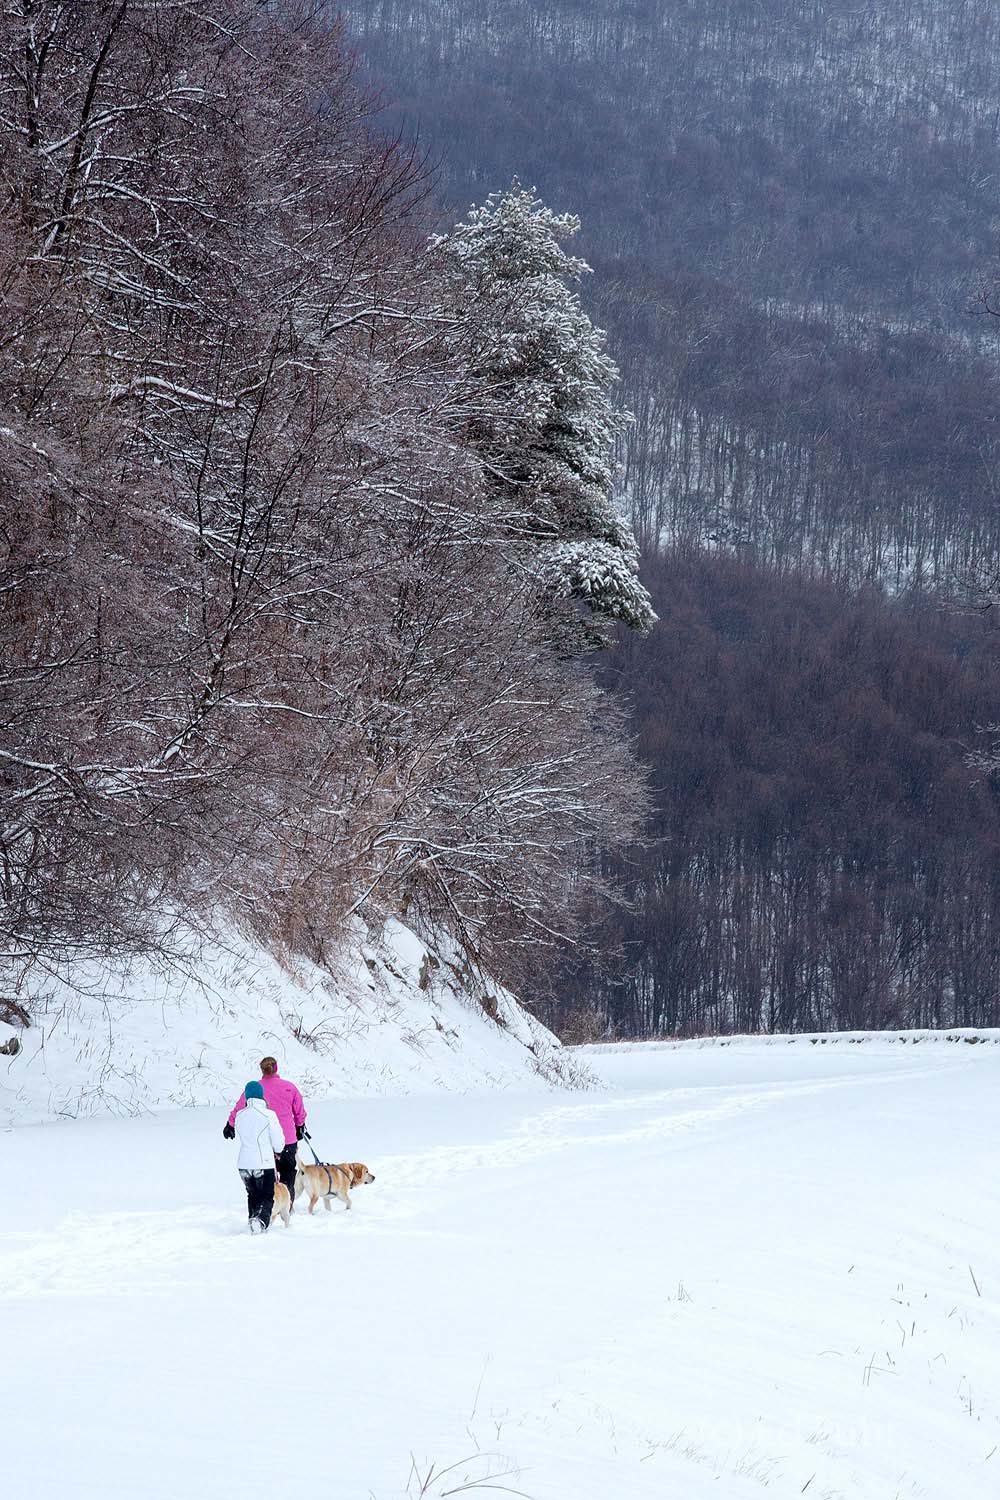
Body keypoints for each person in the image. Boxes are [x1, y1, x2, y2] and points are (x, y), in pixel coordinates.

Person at [223, 1056, 307, 1207]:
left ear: (262, 1069)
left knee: (270, 1176)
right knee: (288, 1172)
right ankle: (288, 1205)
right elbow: (299, 1110)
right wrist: (300, 1125)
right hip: (288, 1139)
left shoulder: (256, 1089)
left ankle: (272, 1205)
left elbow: (240, 1107)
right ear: (276, 1068)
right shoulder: (289, 1087)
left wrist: (230, 1124)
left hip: (265, 1142)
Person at [227, 1080, 284, 1233]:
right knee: (267, 1196)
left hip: (244, 1162)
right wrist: (278, 1151)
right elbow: (279, 1141)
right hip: (263, 1163)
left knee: (252, 1194)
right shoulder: (268, 1115)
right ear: (261, 1095)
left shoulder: (240, 1115)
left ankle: (252, 1221)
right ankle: (259, 1223)